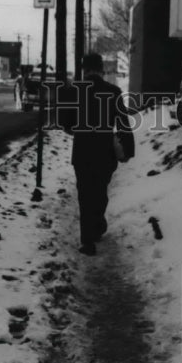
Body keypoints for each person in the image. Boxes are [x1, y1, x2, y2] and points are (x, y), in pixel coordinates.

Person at [57, 53, 135, 255]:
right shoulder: (114, 91)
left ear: (84, 70)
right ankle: (97, 224)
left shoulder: (73, 92)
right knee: (100, 192)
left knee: (85, 195)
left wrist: (80, 130)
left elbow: (65, 124)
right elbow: (123, 123)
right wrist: (127, 149)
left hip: (82, 152)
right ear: (101, 70)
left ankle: (87, 240)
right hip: (104, 152)